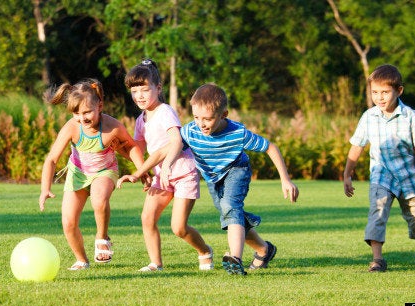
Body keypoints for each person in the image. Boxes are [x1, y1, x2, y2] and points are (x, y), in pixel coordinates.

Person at [165, 83, 299, 275]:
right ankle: (264, 249)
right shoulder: (191, 131)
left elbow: (271, 147)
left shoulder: (238, 133)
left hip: (237, 170)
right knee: (232, 216)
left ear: (223, 115)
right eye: (196, 117)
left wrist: (285, 179)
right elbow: (175, 145)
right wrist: (163, 165)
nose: (201, 124)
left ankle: (235, 258)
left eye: (208, 119)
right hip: (213, 178)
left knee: (230, 206)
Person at [39, 78, 147, 271]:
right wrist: (45, 188)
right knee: (68, 222)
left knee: (99, 200)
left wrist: (142, 171)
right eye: (76, 113)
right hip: (78, 174)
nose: (83, 118)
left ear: (100, 105)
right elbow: (52, 159)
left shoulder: (112, 126)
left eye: (87, 112)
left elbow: (131, 148)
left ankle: (102, 237)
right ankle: (81, 260)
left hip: (105, 172)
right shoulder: (72, 128)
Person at [116, 59, 214, 272]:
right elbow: (138, 150)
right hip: (162, 175)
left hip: (183, 172)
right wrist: (136, 168)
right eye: (134, 91)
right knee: (147, 217)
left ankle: (205, 251)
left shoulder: (165, 111)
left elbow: (176, 141)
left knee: (178, 228)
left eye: (144, 89)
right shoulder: (141, 119)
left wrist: (167, 164)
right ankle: (155, 263)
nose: (139, 95)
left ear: (158, 88)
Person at [343, 64, 415, 272]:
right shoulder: (368, 117)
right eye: (375, 92)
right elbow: (357, 146)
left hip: (409, 178)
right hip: (381, 176)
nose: (380, 97)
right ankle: (377, 259)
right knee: (378, 212)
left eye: (385, 92)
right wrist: (347, 174)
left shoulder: (411, 116)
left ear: (399, 91)